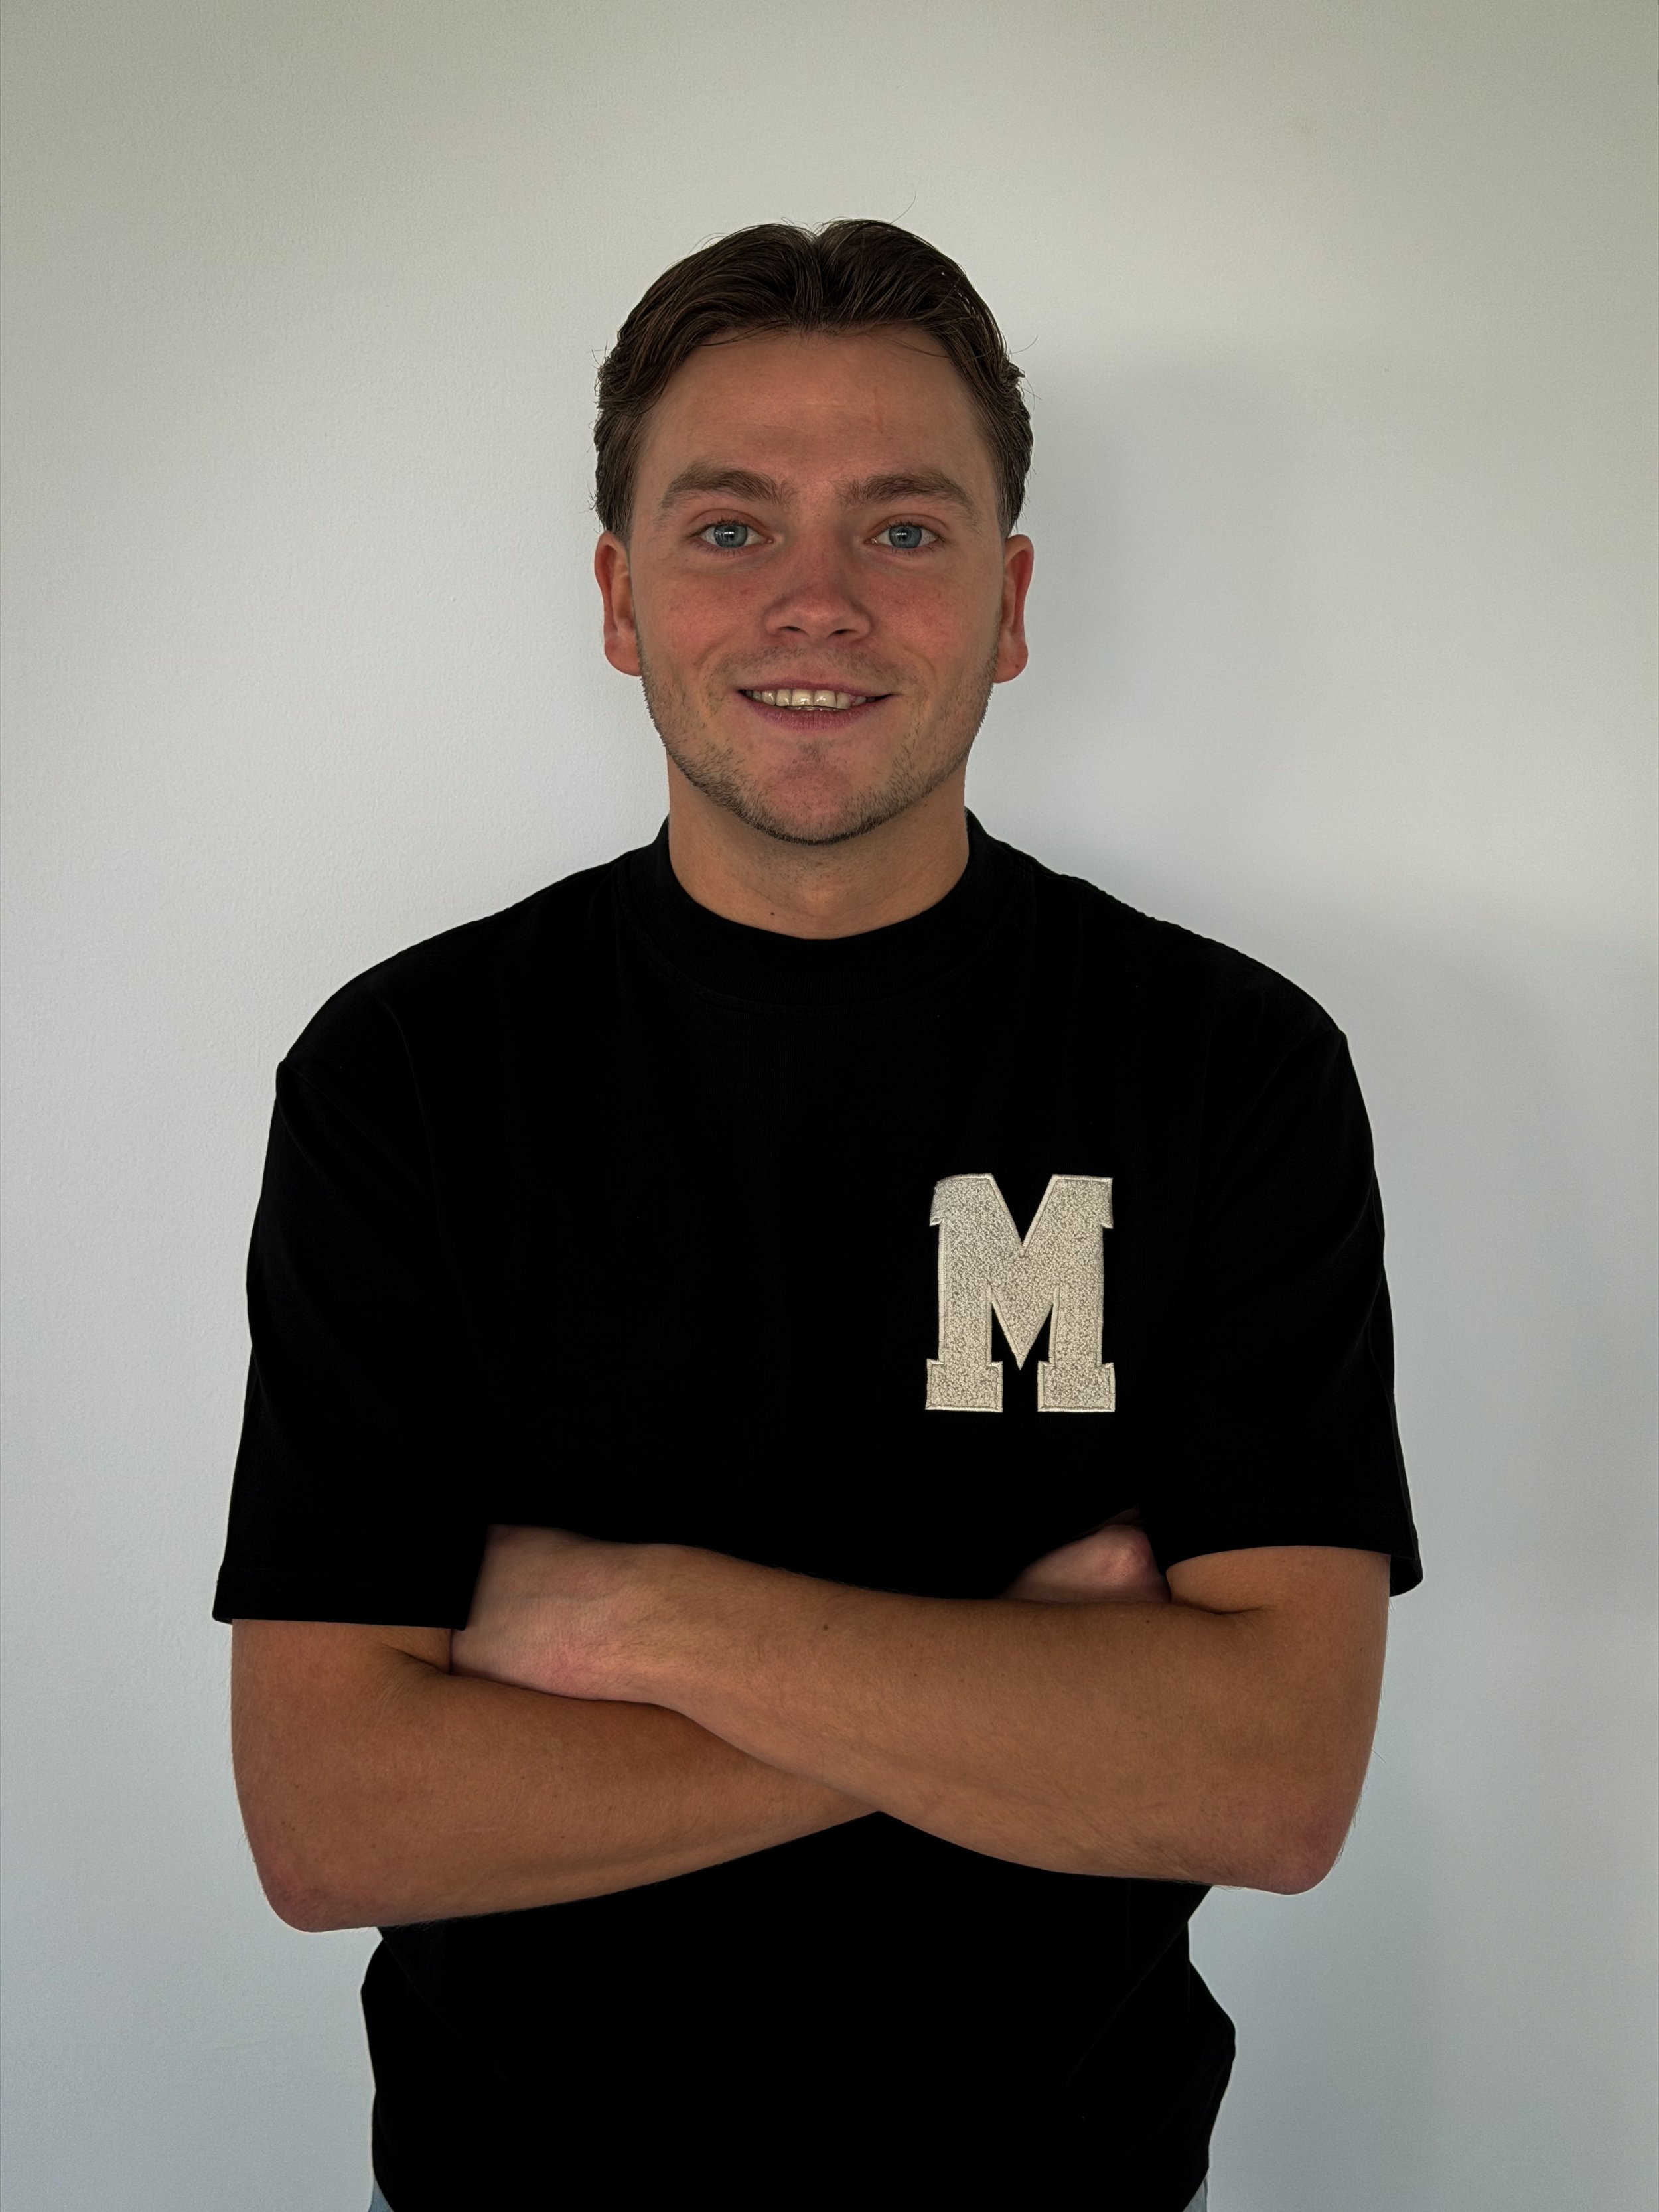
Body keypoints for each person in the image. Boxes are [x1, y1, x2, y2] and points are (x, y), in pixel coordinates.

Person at [214, 219, 1421, 2212]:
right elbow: (334, 1819)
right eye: (728, 527)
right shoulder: (405, 1073)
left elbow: (1272, 1783)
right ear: (619, 600)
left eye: (903, 528)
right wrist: (1029, 1693)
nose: (817, 600)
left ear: (1007, 602)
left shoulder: (1230, 1065)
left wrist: (634, 1620)